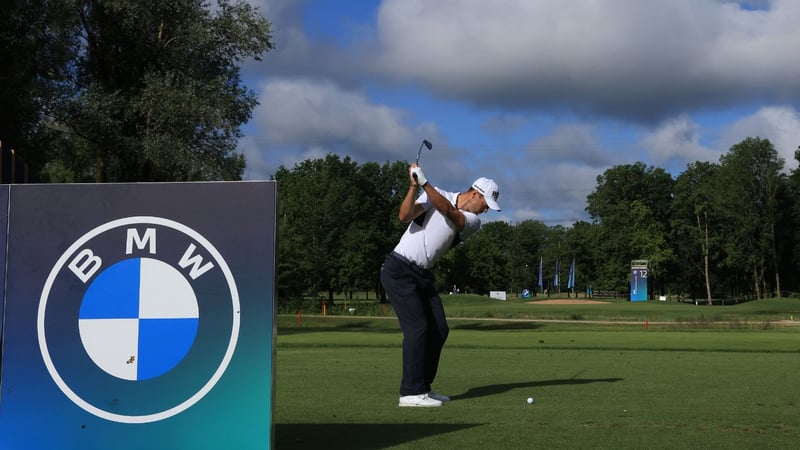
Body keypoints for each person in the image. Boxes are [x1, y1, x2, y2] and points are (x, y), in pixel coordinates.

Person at [380, 163, 500, 407]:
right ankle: (410, 393)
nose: (486, 210)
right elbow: (404, 216)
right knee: (418, 328)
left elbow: (450, 213)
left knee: (439, 329)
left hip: (422, 275)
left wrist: (425, 183)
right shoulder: (436, 195)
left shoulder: (473, 221)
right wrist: (414, 188)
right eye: (485, 204)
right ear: (475, 193)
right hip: (399, 269)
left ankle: (423, 387)